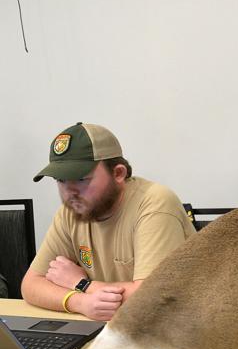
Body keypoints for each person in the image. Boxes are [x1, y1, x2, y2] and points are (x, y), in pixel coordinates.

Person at [21, 122, 196, 321]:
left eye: (80, 179)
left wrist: (81, 285)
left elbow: (153, 300)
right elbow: (31, 285)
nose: (69, 191)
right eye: (60, 180)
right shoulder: (71, 210)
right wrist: (80, 302)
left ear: (118, 173)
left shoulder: (155, 203)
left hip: (177, 331)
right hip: (115, 329)